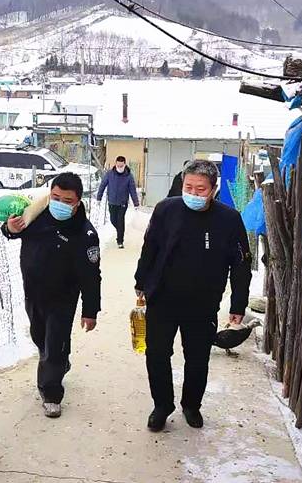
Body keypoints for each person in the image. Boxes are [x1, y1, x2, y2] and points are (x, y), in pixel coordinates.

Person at [134, 159, 252, 432]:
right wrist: (141, 281)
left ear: (213, 189)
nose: (194, 193)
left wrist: (238, 303)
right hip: (162, 298)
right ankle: (162, 405)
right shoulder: (166, 210)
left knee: (198, 358)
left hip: (203, 303)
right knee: (157, 353)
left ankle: (192, 405)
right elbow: (149, 247)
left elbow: (241, 265)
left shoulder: (229, 219)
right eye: (189, 187)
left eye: (201, 189)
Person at [2, 173, 101, 418]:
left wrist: (90, 311)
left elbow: (91, 276)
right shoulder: (36, 217)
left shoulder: (85, 234)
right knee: (40, 339)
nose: (60, 203)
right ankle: (58, 361)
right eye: (55, 197)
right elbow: (13, 230)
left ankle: (51, 393)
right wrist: (9, 228)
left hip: (62, 300)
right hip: (33, 295)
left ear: (77, 202)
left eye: (67, 200)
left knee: (53, 346)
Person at [96, 156, 140, 249]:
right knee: (113, 220)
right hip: (112, 201)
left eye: (121, 166)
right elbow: (102, 185)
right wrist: (99, 198)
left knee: (120, 220)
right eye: (118, 165)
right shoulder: (109, 174)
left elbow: (132, 190)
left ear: (124, 165)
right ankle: (120, 231)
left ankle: (120, 240)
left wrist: (136, 203)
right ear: (116, 164)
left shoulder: (128, 176)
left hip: (122, 203)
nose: (120, 167)